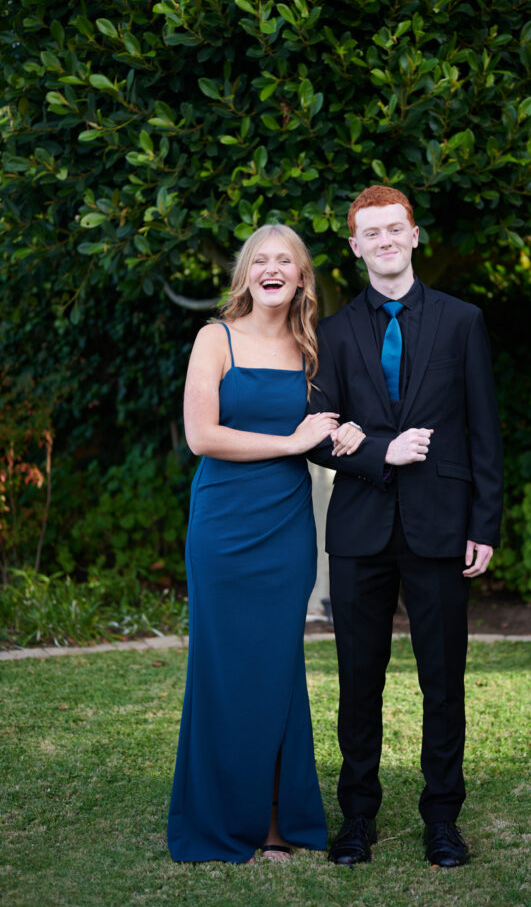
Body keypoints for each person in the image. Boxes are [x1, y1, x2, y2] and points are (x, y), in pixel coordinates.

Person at [307, 186, 504, 869]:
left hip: (442, 525)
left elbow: (483, 430)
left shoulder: (461, 321)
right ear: (355, 246)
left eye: (395, 228)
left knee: (442, 680)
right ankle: (357, 816)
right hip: (359, 528)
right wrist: (378, 452)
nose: (385, 240)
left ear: (414, 235)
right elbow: (317, 434)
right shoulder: (331, 334)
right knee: (358, 679)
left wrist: (484, 524)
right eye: (371, 232)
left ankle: (442, 818)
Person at [167, 223, 362, 864]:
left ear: (302, 277)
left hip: (285, 528)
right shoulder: (215, 338)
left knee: (279, 668)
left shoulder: (314, 348)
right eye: (260, 260)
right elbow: (202, 435)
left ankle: (278, 820)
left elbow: (342, 420)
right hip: (223, 526)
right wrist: (290, 442)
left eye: (286, 261)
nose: (272, 269)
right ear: (245, 274)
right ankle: (220, 816)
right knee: (222, 669)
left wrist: (352, 434)